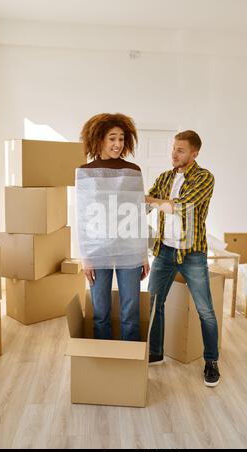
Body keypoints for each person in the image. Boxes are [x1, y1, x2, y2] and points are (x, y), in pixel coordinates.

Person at [145, 130, 220, 387]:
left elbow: (180, 206)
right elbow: (146, 203)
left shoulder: (204, 177)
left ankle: (211, 361)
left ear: (194, 153)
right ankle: (155, 352)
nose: (174, 154)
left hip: (192, 254)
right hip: (164, 251)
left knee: (205, 310)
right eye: (173, 148)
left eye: (180, 150)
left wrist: (154, 201)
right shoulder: (165, 177)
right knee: (154, 303)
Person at [77, 113, 149, 341]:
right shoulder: (85, 172)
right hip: (97, 249)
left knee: (131, 312)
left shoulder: (133, 170)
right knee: (100, 313)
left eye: (121, 138)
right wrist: (86, 256)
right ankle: (105, 361)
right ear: (99, 140)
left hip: (129, 247)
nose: (118, 144)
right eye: (112, 138)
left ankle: (129, 362)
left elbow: (138, 214)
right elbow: (82, 215)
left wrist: (143, 255)